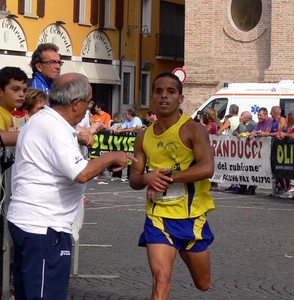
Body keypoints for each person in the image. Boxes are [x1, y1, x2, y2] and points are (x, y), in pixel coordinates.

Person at [7, 73, 136, 300]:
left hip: (30, 221)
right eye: (88, 103)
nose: (88, 109)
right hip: (44, 227)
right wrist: (112, 156)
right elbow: (81, 173)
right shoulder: (55, 128)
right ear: (76, 103)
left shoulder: (42, 120)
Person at [129, 72, 215, 299]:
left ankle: (186, 248)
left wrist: (167, 178)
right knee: (161, 280)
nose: (164, 96)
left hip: (191, 217)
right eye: (158, 91)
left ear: (181, 98)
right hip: (157, 218)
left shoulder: (194, 130)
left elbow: (207, 168)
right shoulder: (143, 136)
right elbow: (134, 179)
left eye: (171, 91)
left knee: (203, 283)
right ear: (152, 97)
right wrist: (147, 178)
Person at [0, 67, 28, 131]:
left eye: (24, 90)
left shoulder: (16, 115)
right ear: (1, 92)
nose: (21, 94)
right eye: (16, 89)